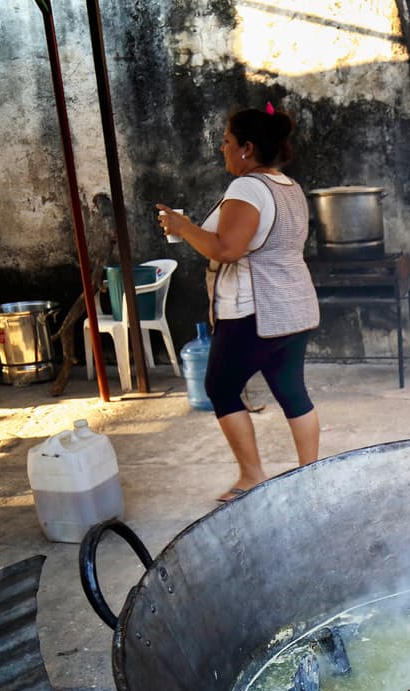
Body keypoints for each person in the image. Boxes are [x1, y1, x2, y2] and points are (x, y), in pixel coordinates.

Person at [156, 105, 321, 503]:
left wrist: (184, 228)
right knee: (292, 391)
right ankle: (311, 474)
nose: (222, 148)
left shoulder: (247, 188)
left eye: (227, 141)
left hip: (254, 310)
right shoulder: (288, 186)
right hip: (294, 305)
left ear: (247, 147)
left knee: (220, 386)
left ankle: (251, 476)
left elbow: (227, 249)